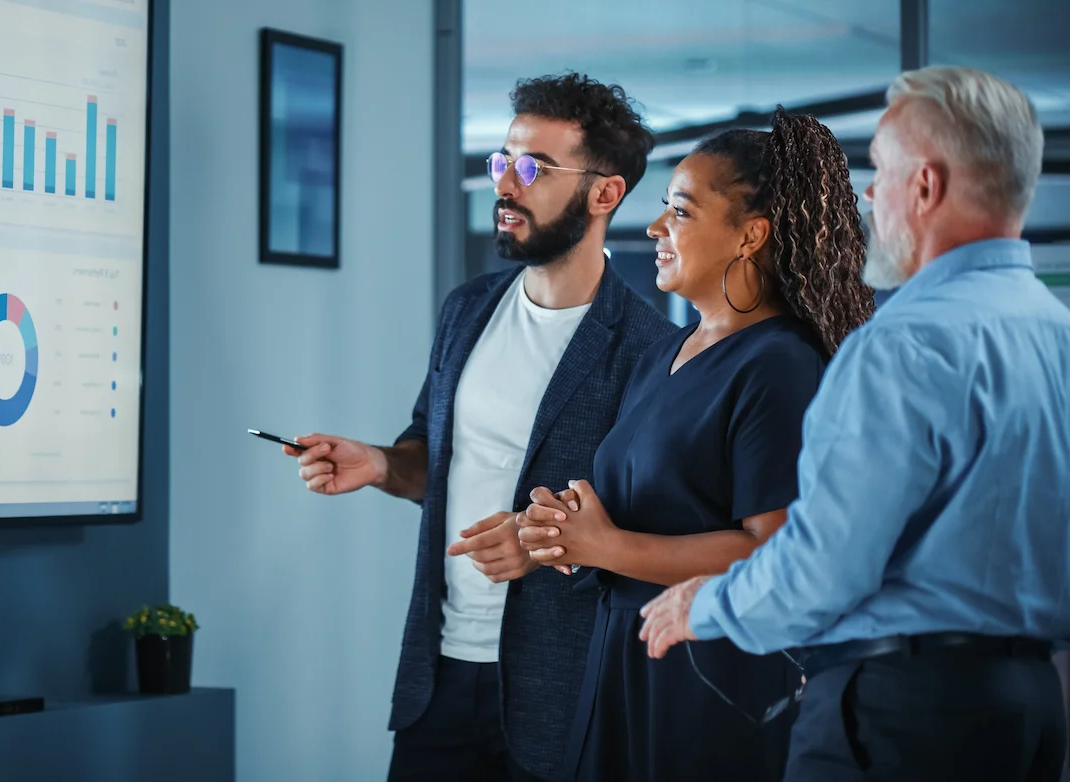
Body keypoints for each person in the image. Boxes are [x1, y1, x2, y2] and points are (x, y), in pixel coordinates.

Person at [638, 66, 1070, 782]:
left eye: (882, 170)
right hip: (1031, 710)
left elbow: (825, 565)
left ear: (926, 186)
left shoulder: (904, 342)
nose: (869, 194)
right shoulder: (1056, 334)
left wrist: (704, 605)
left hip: (902, 716)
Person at [285, 73, 673, 781]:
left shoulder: (648, 350)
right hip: (438, 679)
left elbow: (650, 531)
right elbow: (433, 459)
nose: (506, 184)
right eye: (502, 162)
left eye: (533, 168)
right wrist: (379, 463)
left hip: (562, 692)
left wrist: (543, 545)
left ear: (604, 193)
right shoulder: (467, 310)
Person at [515, 107, 876, 781]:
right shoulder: (667, 354)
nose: (655, 228)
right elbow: (654, 507)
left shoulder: (780, 367)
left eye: (680, 212)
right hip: (625, 660)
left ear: (750, 236)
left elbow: (773, 551)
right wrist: (568, 532)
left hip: (709, 683)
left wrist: (610, 546)